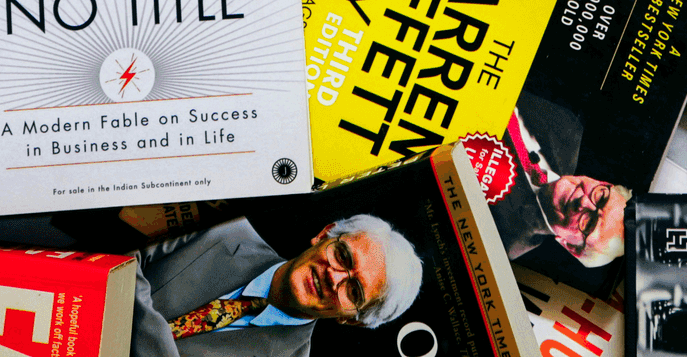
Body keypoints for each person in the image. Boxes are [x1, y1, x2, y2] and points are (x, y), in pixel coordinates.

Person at [132, 213, 422, 357]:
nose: (335, 277)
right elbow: (119, 253)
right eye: (343, 256)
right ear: (324, 235)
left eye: (354, 291)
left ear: (351, 322)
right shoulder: (224, 225)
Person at [488, 94, 630, 271]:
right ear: (601, 182)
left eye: (588, 223)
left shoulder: (500, 243)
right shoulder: (567, 129)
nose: (584, 202)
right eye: (600, 197)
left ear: (570, 247)